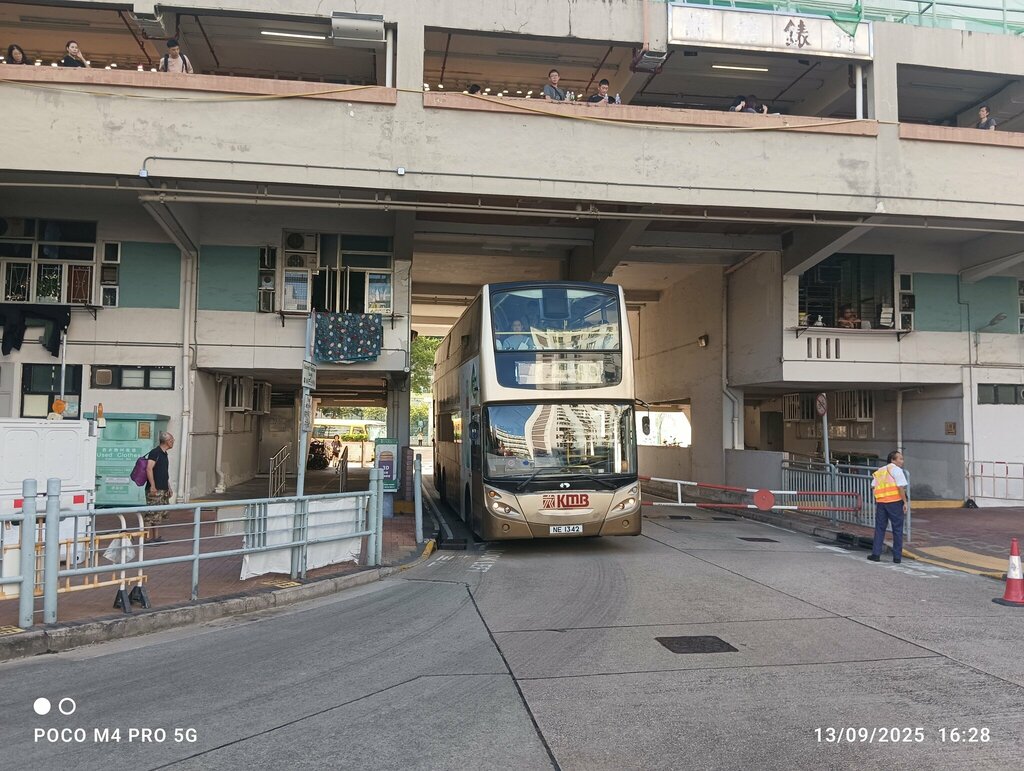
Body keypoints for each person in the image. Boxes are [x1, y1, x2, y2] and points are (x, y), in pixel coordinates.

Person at [868, 451, 908, 563]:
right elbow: (901, 487)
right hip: (895, 503)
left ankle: (876, 554)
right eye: (900, 459)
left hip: (881, 503)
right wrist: (905, 502)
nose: (902, 461)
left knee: (880, 529)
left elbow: (873, 486)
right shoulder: (897, 470)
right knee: (897, 530)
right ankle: (897, 557)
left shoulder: (880, 471)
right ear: (893, 460)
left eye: (902, 459)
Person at [144, 432, 175, 543]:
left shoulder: (164, 454)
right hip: (155, 489)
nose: (173, 442)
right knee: (151, 513)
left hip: (162, 488)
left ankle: (156, 537)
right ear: (167, 441)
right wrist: (152, 485)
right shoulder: (155, 452)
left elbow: (163, 473)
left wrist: (168, 487)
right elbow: (149, 468)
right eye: (172, 440)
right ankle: (146, 537)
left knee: (158, 513)